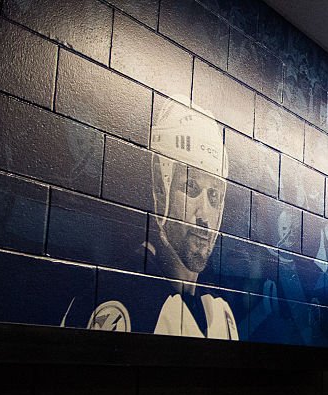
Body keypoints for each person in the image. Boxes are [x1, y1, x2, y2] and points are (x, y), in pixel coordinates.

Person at [88, 99, 237, 339]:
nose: (204, 217)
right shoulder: (126, 297)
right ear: (160, 188)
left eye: (214, 196)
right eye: (190, 187)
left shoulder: (220, 313)